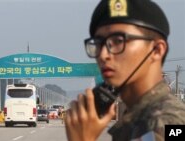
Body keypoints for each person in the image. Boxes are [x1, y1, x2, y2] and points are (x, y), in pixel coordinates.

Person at [64, 0, 185, 141]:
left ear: (157, 50)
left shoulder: (168, 123)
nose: (103, 55)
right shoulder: (136, 117)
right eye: (98, 44)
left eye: (118, 41)